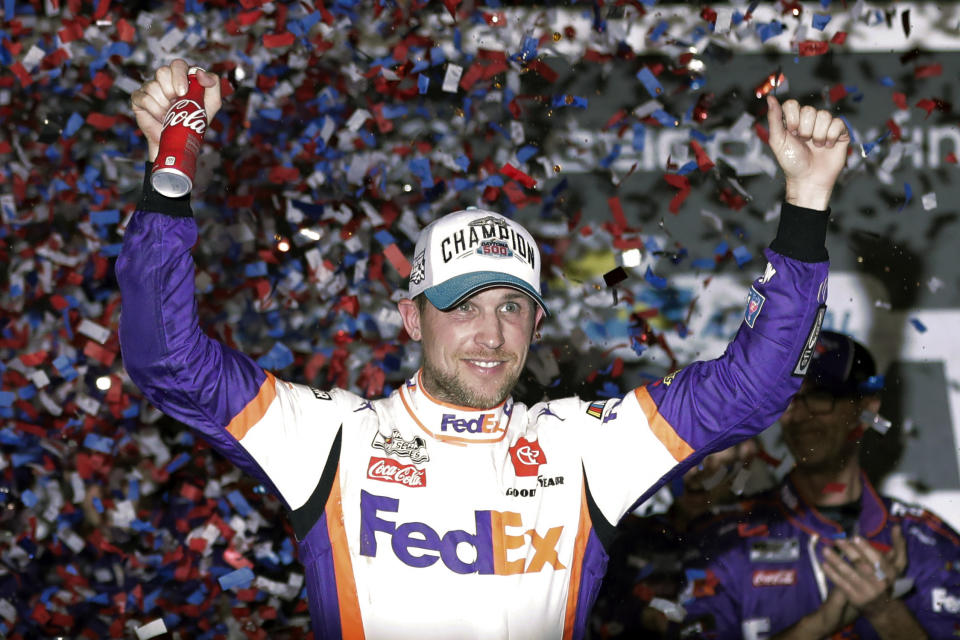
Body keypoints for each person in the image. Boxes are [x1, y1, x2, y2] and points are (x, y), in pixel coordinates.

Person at [119, 58, 847, 639]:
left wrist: (807, 203)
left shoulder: (583, 449)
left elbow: (755, 386)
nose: (491, 335)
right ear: (411, 318)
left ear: (537, 324)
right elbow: (167, 360)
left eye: (510, 308)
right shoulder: (329, 435)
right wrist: (168, 173)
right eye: (461, 309)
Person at [679, 331, 960, 639]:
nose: (799, 415)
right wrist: (824, 622)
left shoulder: (928, 542)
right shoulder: (723, 539)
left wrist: (886, 611)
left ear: (866, 410)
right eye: (789, 397)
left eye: (819, 396)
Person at [590, 440, 772, 639]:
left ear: (739, 464)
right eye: (684, 457)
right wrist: (640, 615)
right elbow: (594, 617)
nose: (695, 472)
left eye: (710, 459)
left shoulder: (759, 531)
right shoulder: (631, 537)